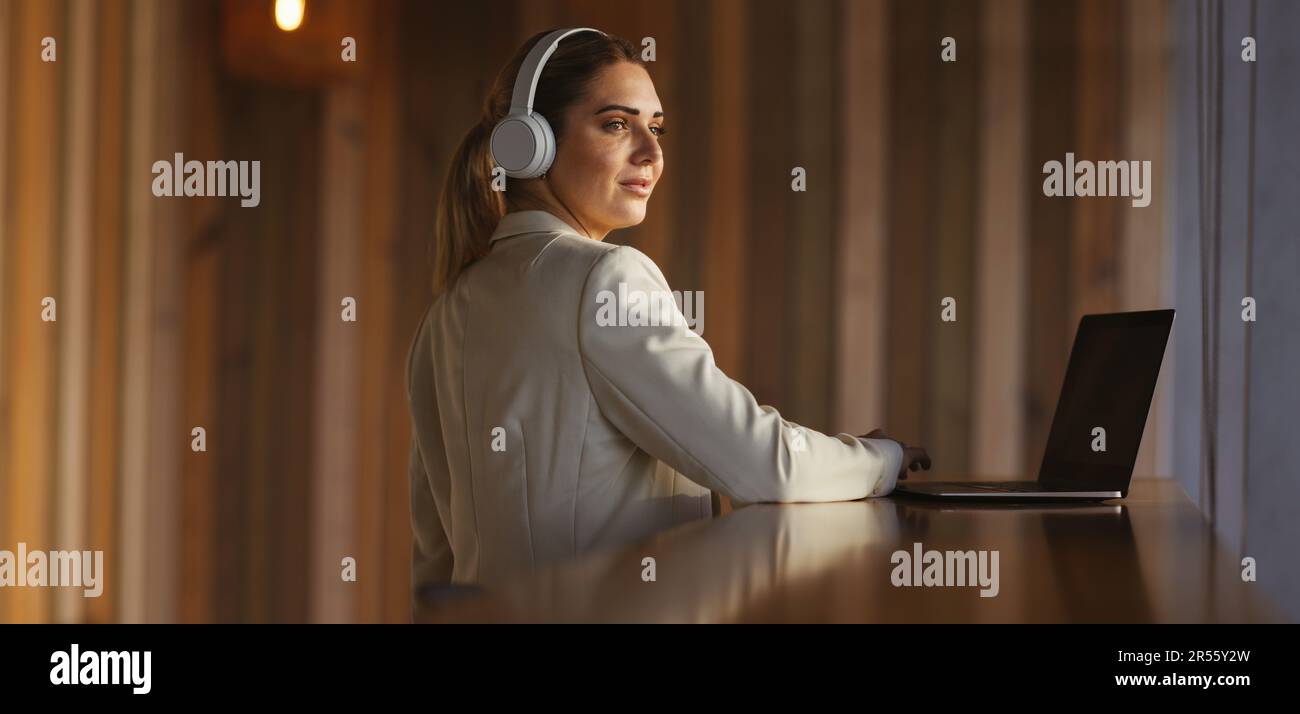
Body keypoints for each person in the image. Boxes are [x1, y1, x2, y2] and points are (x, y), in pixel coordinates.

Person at [405, 28, 930, 598]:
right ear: (530, 145)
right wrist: (880, 458)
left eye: (655, 128)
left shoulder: (443, 314)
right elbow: (763, 463)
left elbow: (434, 555)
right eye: (616, 124)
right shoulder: (604, 279)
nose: (652, 153)